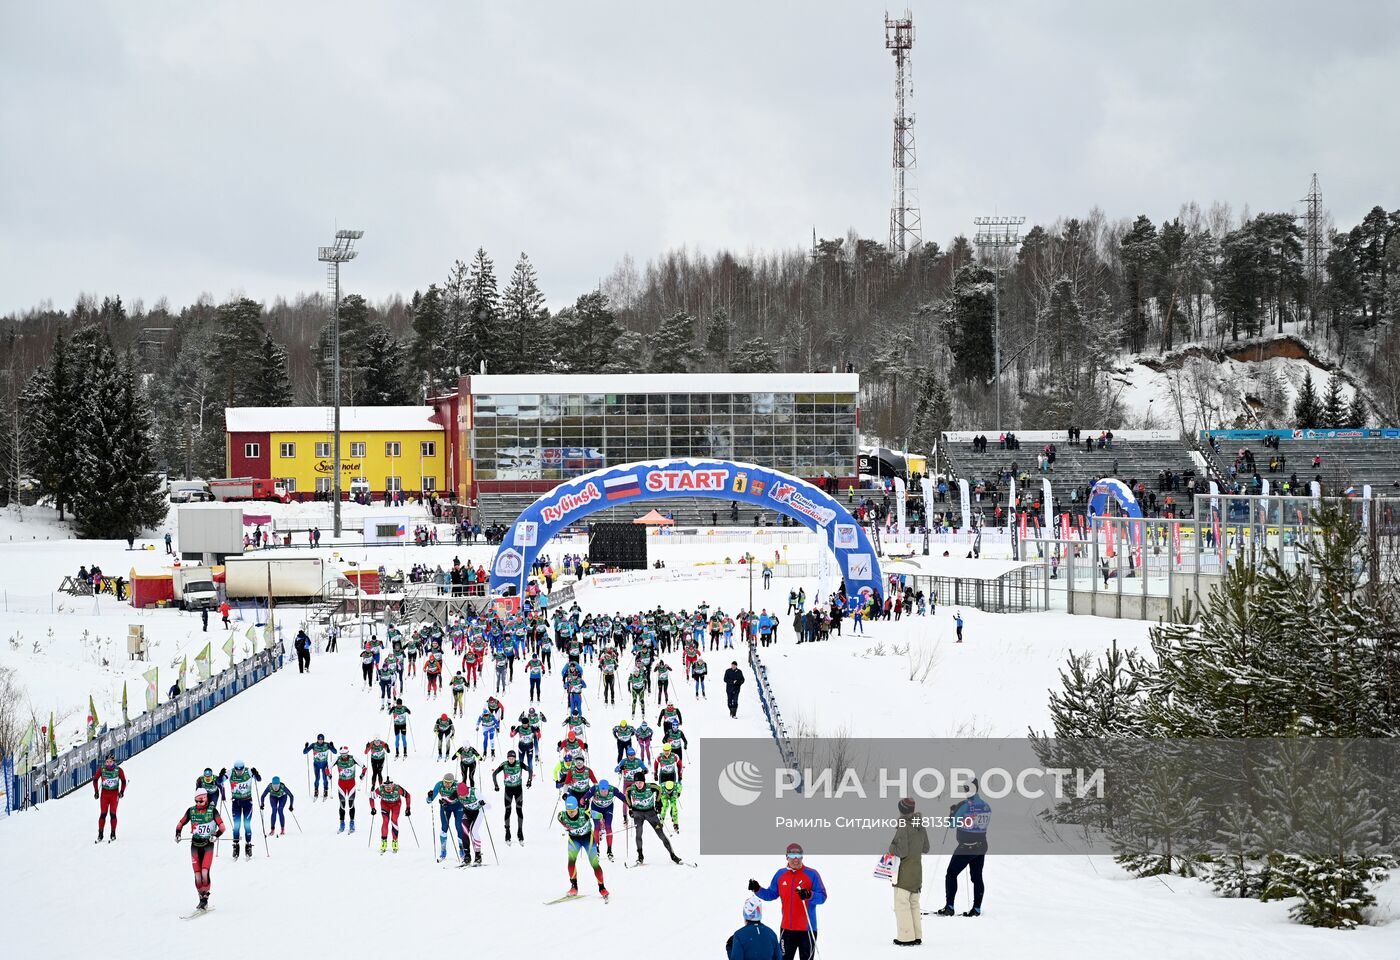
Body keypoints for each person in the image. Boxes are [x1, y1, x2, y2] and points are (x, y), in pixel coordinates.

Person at [750, 842, 827, 960]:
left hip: (807, 930)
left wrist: (809, 894)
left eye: (799, 855)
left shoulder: (812, 874)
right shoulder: (781, 874)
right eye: (792, 855)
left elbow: (822, 897)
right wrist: (757, 889)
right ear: (786, 857)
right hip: (787, 930)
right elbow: (771, 894)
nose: (796, 859)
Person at [936, 778, 991, 917]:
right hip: (982, 845)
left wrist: (953, 812)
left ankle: (949, 907)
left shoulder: (965, 805)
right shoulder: (986, 806)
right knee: (977, 877)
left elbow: (951, 824)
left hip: (966, 847)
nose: (965, 791)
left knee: (951, 874)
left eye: (966, 788)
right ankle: (977, 908)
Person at [888, 797, 930, 945]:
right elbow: (926, 848)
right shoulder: (920, 824)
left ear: (901, 810)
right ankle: (917, 936)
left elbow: (902, 851)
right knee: (914, 903)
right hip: (917, 871)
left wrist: (891, 847)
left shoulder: (903, 825)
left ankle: (906, 938)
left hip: (904, 871)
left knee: (902, 903)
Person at [175, 788, 225, 913]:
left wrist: (216, 835)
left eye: (201, 801)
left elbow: (223, 827)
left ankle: (205, 898)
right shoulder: (191, 811)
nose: (198, 804)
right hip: (195, 846)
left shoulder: (212, 811)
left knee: (204, 872)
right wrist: (178, 834)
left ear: (206, 799)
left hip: (207, 845)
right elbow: (180, 824)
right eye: (196, 801)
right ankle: (201, 898)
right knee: (197, 875)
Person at [623, 771, 682, 865]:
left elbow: (659, 789)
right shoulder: (631, 789)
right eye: (636, 783)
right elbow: (626, 795)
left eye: (640, 782)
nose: (638, 785)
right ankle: (640, 856)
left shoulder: (651, 787)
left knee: (661, 834)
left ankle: (673, 855)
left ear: (644, 782)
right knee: (638, 834)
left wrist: (658, 803)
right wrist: (630, 808)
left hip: (651, 814)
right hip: (638, 815)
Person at [558, 794, 609, 900]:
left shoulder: (585, 813)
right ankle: (574, 887)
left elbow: (599, 815)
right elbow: (560, 819)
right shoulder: (562, 816)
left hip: (587, 839)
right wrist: (567, 827)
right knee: (571, 862)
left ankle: (602, 887)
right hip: (574, 840)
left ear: (577, 808)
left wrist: (602, 825)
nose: (571, 814)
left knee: (594, 864)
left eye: (573, 811)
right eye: (569, 811)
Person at [226, 760, 262, 858]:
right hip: (236, 802)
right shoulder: (230, 772)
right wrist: (221, 775)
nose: (239, 772)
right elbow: (219, 781)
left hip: (247, 802)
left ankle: (248, 845)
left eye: (241, 770)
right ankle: (236, 846)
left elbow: (259, 779)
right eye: (237, 771)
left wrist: (256, 773)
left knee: (247, 824)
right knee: (236, 825)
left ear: (243, 768)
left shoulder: (249, 771)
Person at [370, 774, 411, 854]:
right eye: (386, 786)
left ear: (393, 784)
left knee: (394, 820)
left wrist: (408, 808)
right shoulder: (380, 789)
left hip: (396, 805)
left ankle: (395, 842)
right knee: (385, 821)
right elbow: (371, 797)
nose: (388, 788)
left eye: (390, 786)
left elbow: (408, 795)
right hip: (385, 805)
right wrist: (373, 808)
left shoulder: (397, 788)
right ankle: (384, 842)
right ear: (383, 785)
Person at [92, 752, 126, 842]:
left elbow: (124, 781)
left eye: (110, 762)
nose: (108, 764)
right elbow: (95, 780)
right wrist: (96, 792)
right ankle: (100, 834)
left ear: (113, 762)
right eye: (107, 762)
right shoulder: (102, 769)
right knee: (103, 814)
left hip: (114, 795)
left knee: (113, 814)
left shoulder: (118, 770)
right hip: (104, 795)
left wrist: (122, 792)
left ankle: (113, 833)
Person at [303, 734, 336, 798]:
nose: (320, 741)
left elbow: (335, 752)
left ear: (323, 739)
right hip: (316, 765)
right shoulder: (314, 745)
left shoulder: (327, 744)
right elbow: (305, 752)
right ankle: (316, 790)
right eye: (319, 739)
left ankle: (325, 790)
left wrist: (332, 746)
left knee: (325, 778)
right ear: (317, 739)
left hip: (324, 765)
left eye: (322, 739)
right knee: (317, 778)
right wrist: (306, 747)